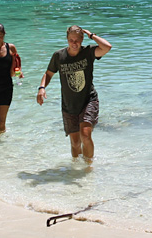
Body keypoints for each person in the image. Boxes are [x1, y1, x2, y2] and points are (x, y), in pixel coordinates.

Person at [37, 25, 111, 164]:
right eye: (71, 40)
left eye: (77, 40)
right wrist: (42, 88)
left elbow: (107, 47)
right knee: (75, 143)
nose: (74, 43)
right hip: (69, 104)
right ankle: (75, 169)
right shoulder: (59, 56)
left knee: (85, 135)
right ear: (67, 39)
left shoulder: (88, 52)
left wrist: (92, 35)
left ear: (82, 39)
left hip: (88, 99)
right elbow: (48, 74)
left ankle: (89, 168)